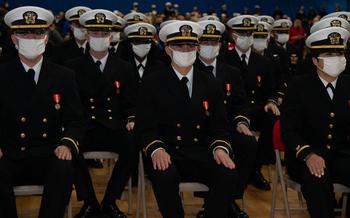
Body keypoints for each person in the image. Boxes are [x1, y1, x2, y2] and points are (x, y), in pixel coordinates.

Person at [135, 20, 238, 218]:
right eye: (179, 46)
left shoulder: (211, 83)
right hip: (168, 151)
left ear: (198, 48)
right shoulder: (152, 83)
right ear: (167, 50)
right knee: (165, 175)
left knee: (228, 173)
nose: (186, 50)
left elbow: (220, 127)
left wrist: (220, 148)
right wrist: (156, 149)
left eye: (191, 46)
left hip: (201, 151)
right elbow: (145, 127)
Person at [0, 6, 85, 218]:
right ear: (14, 39)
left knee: (65, 167)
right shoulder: (2, 74)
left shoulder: (64, 76)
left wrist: (67, 143)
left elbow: (76, 121)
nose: (31, 38)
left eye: (37, 33)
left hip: (48, 152)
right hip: (10, 153)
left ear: (46, 38)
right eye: (24, 33)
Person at [64, 9, 138, 218]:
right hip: (85, 127)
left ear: (111, 35)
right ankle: (88, 202)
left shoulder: (124, 68)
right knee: (69, 145)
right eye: (95, 33)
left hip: (113, 126)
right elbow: (71, 106)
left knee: (132, 143)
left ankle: (110, 201)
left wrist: (132, 119)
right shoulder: (72, 67)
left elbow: (131, 103)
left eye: (104, 33)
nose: (99, 37)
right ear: (87, 34)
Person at [281, 26, 350, 218]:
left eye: (339, 53)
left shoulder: (348, 84)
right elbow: (288, 130)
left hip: (340, 155)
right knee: (317, 177)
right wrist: (308, 154)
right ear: (315, 61)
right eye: (329, 54)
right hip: (306, 156)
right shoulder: (299, 86)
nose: (336, 58)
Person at [194, 17, 257, 218]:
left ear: (220, 45)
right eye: (205, 42)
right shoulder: (188, 69)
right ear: (197, 45)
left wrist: (240, 121)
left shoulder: (231, 71)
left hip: (226, 129)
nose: (210, 46)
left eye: (214, 42)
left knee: (248, 143)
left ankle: (229, 198)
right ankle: (212, 203)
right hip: (198, 131)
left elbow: (240, 103)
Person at [219, 15, 279, 191]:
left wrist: (271, 102)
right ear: (233, 35)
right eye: (241, 33)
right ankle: (237, 167)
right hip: (231, 111)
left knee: (273, 120)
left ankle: (256, 168)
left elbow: (271, 89)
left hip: (256, 109)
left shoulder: (264, 62)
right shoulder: (223, 59)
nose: (246, 37)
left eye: (249, 33)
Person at [122, 22, 165, 88]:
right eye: (137, 41)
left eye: (146, 41)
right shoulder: (122, 66)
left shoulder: (160, 67)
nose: (142, 44)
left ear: (151, 43)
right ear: (130, 43)